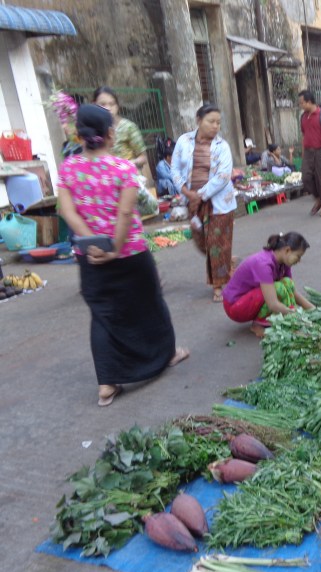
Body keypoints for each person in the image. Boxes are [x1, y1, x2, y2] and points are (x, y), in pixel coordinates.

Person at [57, 104, 189, 407]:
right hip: (128, 252)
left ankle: (106, 384)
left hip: (88, 256)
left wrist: (91, 243)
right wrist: (113, 248)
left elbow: (67, 211)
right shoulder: (123, 168)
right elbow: (126, 212)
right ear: (110, 134)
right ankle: (167, 354)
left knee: (103, 316)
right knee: (150, 304)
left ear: (79, 135)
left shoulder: (68, 168)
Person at [171, 103, 237, 303]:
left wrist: (199, 194)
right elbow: (175, 169)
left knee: (216, 244)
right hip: (193, 202)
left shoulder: (222, 146)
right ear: (198, 120)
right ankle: (225, 262)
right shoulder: (184, 141)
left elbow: (224, 176)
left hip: (219, 203)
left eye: (218, 122)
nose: (215, 126)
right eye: (211, 121)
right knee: (201, 242)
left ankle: (218, 286)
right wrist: (185, 192)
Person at [222, 232, 314, 337]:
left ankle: (276, 319)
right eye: (298, 256)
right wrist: (296, 315)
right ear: (287, 250)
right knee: (278, 288)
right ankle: (257, 325)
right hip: (234, 306)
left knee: (287, 284)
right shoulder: (264, 264)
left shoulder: (284, 262)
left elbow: (292, 291)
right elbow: (273, 304)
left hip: (251, 299)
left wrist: (312, 310)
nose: (299, 260)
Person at [94, 86, 157, 216]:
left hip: (127, 182)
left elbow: (143, 157)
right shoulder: (92, 130)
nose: (108, 108)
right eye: (102, 104)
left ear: (117, 106)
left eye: (112, 104)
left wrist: (122, 166)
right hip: (104, 187)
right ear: (93, 105)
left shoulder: (128, 127)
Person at [298, 90, 321, 217]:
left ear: (309, 102)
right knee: (306, 177)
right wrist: (303, 153)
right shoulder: (303, 117)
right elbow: (304, 135)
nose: (301, 105)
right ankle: (319, 197)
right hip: (309, 152)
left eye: (302, 103)